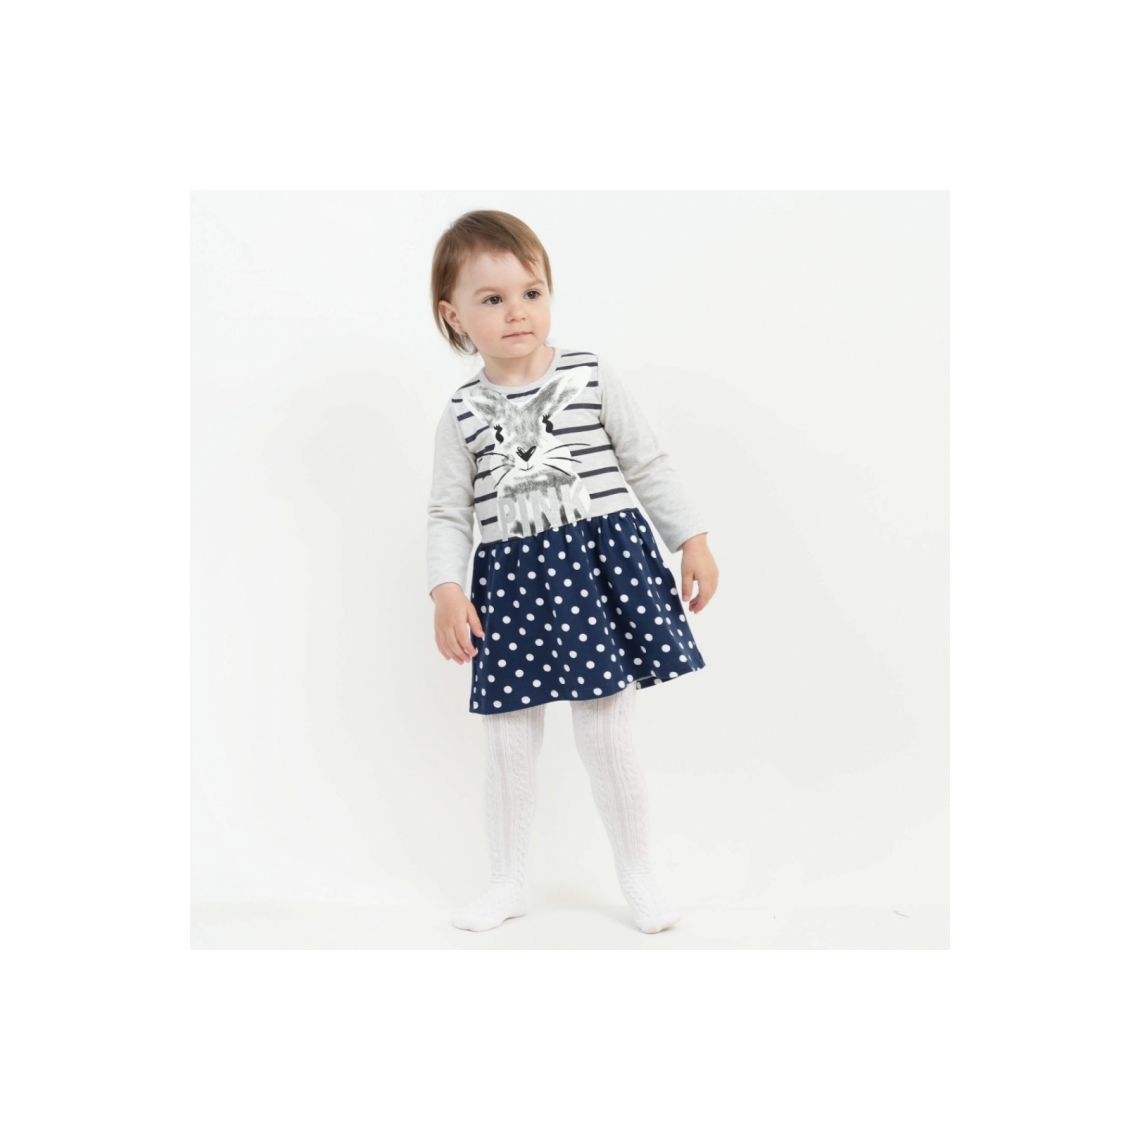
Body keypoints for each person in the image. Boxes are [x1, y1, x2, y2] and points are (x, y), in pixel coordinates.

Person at [426, 209, 719, 933]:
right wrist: (447, 590)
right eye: (492, 299)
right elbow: (448, 512)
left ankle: (638, 875)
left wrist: (691, 539)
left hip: (596, 570)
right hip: (512, 584)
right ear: (454, 316)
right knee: (508, 741)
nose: (516, 312)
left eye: (531, 292)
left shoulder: (588, 375)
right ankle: (506, 881)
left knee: (606, 731)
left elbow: (647, 461)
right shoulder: (463, 413)